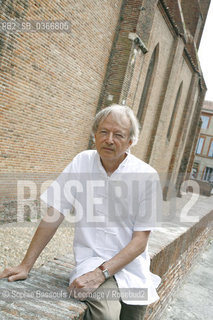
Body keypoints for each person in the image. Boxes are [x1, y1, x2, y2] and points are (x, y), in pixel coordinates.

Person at [0, 104, 162, 320]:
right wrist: (25, 265)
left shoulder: (146, 176)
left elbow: (140, 240)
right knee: (106, 316)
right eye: (103, 132)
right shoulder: (81, 162)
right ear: (94, 134)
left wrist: (102, 273)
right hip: (91, 261)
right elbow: (54, 214)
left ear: (131, 141)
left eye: (118, 135)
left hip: (131, 269)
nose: (109, 139)